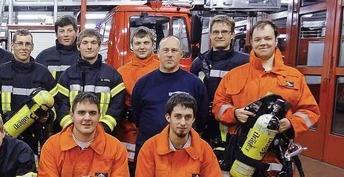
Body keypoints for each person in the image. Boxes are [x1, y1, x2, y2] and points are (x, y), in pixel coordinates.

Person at [212, 20, 320, 176]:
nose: (263, 43)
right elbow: (218, 106)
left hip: (276, 155)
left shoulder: (294, 77)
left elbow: (310, 110)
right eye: (258, 39)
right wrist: (235, 113)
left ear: (276, 41)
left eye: (267, 38)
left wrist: (290, 123)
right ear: (251, 42)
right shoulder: (234, 75)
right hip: (241, 152)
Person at [131, 36, 208, 161]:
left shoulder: (195, 83)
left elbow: (202, 117)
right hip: (148, 151)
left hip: (183, 152)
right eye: (165, 50)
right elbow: (136, 116)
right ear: (158, 53)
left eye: (174, 50)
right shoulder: (143, 83)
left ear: (181, 54)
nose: (169, 55)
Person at [0, 29, 56, 155]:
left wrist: (48, 116)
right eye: (19, 43)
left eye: (27, 44)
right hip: (5, 135)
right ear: (12, 46)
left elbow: (55, 103)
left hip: (35, 137)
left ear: (32, 47)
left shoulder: (43, 74)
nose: (23, 48)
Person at [39, 92, 129, 177]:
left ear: (99, 116)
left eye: (92, 113)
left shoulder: (116, 149)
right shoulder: (52, 146)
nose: (87, 118)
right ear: (71, 115)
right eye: (81, 113)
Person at [190, 15, 249, 143]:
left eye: (224, 32)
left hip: (236, 125)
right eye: (216, 32)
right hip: (205, 126)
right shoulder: (199, 63)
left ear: (232, 35)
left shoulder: (245, 63)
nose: (220, 36)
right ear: (210, 35)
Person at [54, 29, 125, 134]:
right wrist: (71, 128)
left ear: (99, 46)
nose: (89, 47)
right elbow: (61, 106)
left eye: (93, 42)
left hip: (103, 135)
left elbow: (117, 107)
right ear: (78, 47)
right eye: (85, 42)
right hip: (73, 135)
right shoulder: (67, 75)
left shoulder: (112, 75)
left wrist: (103, 128)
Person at [135, 93, 222, 176]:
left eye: (188, 117)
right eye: (178, 116)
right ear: (168, 117)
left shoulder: (205, 151)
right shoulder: (150, 149)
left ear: (193, 119)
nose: (183, 122)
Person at [113, 26, 160, 171]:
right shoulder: (121, 72)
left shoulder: (162, 69)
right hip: (127, 131)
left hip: (155, 130)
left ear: (153, 44)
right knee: (128, 168)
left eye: (146, 43)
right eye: (138, 43)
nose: (142, 47)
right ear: (132, 46)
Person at [36, 15, 80, 79]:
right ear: (56, 34)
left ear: (77, 32)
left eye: (69, 30)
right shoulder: (44, 56)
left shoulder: (84, 56)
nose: (66, 35)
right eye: (62, 31)